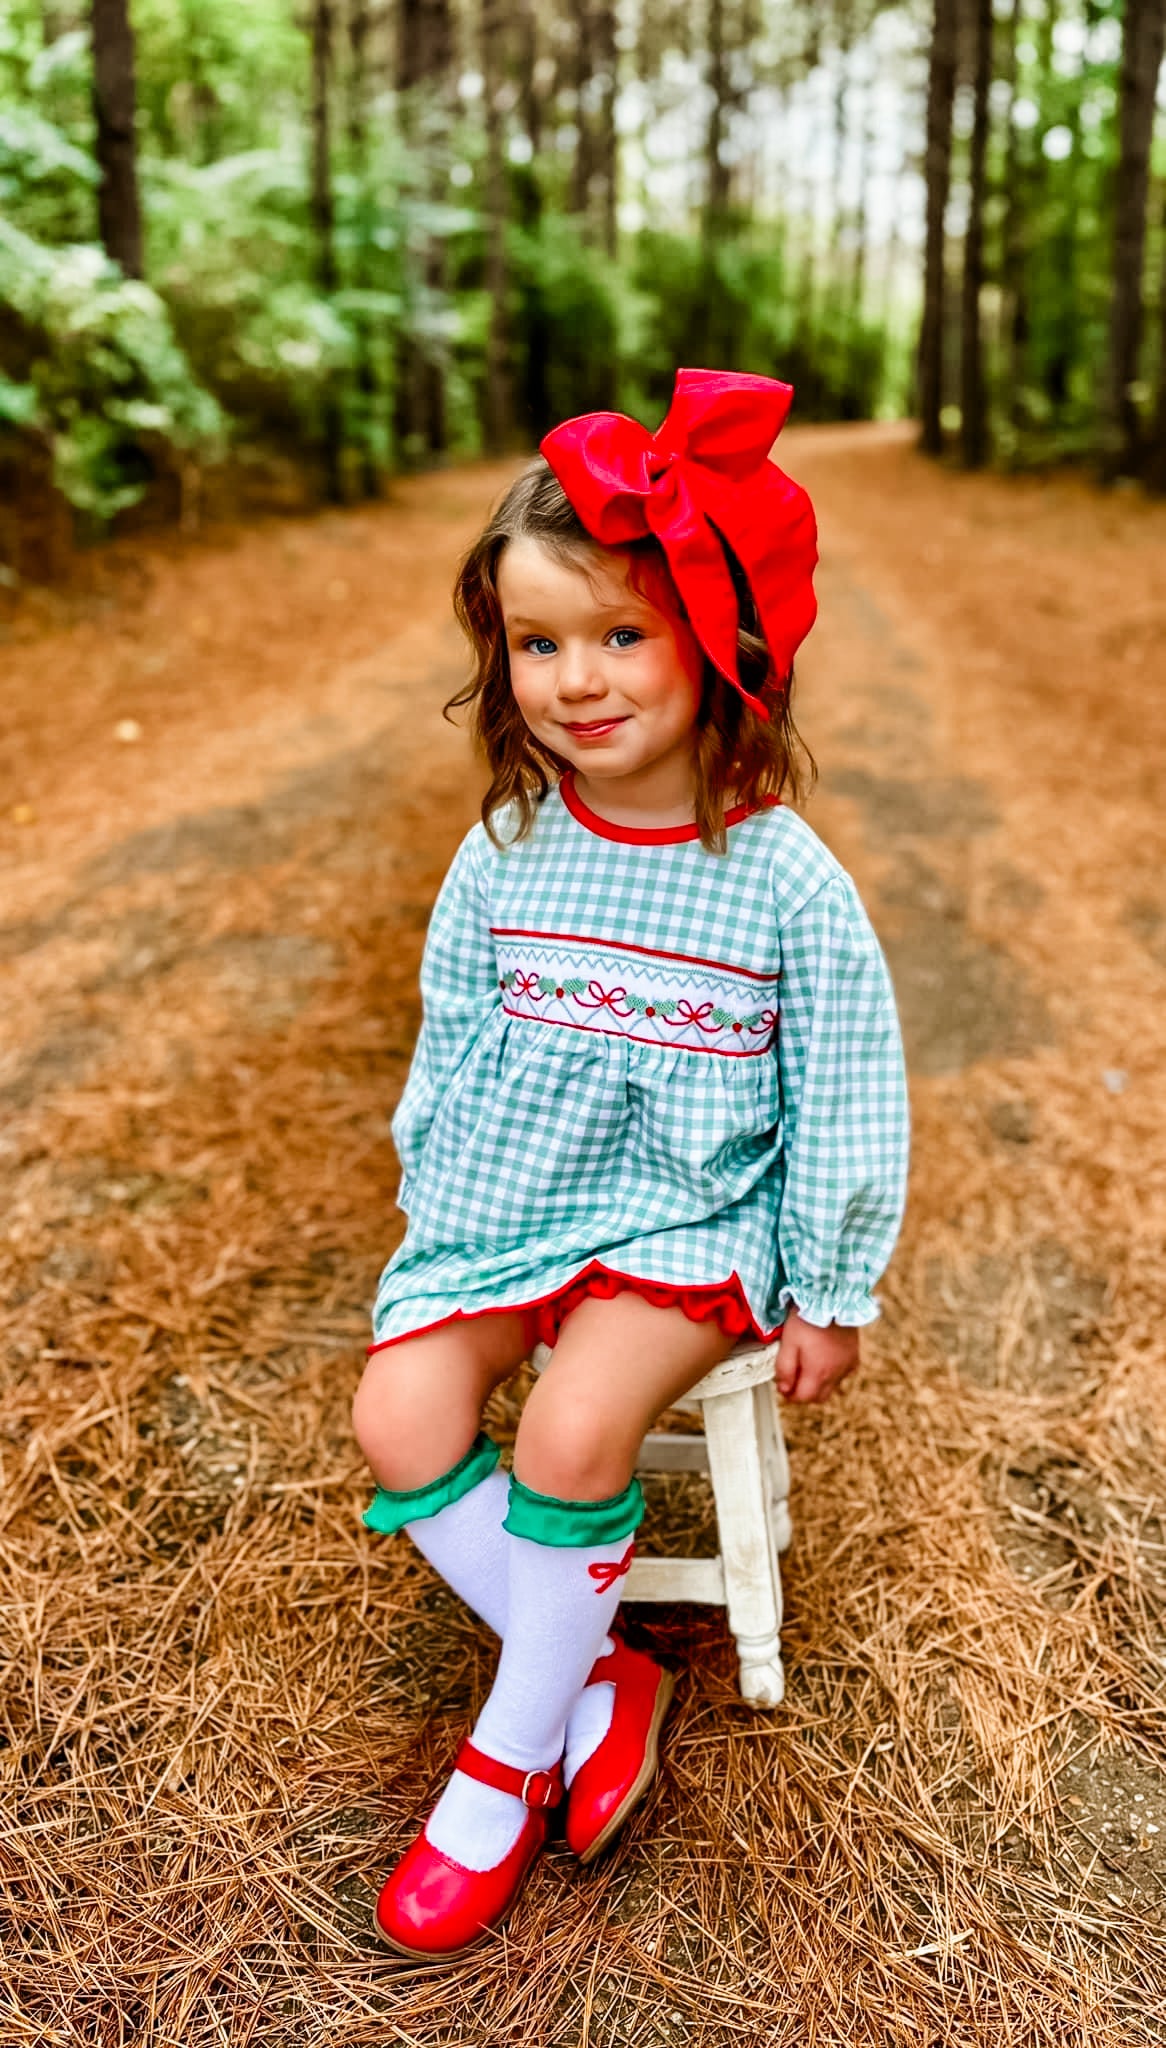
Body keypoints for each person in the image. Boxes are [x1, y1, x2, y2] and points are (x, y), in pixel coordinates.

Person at [353, 367, 909, 1959]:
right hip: (511, 1199)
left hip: (691, 1211)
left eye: (618, 635)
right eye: (537, 643)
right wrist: (439, 1213)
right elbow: (449, 1042)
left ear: (712, 642)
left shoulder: (780, 880)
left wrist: (830, 1283)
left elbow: (849, 1094)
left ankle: (499, 1758)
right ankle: (601, 1668)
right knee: (395, 1412)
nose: (574, 682)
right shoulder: (507, 851)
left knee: (576, 1429)